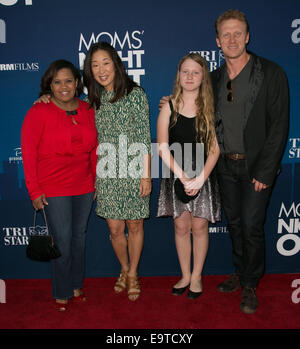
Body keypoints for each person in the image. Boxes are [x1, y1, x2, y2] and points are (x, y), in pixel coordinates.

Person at [211, 9, 289, 314]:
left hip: (257, 168)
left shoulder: (271, 73)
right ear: (218, 41)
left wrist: (265, 170)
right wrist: (171, 103)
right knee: (234, 224)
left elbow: (279, 125)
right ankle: (240, 272)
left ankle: (250, 284)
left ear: (247, 37)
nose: (231, 39)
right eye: (225, 34)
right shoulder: (213, 78)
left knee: (252, 226)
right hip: (225, 167)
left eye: (237, 33)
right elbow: (195, 108)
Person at [21, 60, 98, 311]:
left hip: (84, 185)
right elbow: (29, 153)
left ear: (77, 83)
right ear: (49, 86)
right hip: (53, 187)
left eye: (68, 81)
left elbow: (95, 150)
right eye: (57, 82)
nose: (63, 86)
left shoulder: (88, 110)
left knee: (79, 238)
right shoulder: (38, 112)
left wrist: (96, 180)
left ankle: (76, 284)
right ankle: (62, 290)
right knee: (62, 240)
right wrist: (34, 190)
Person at [83, 42, 152, 301]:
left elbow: (145, 138)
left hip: (134, 170)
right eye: (95, 64)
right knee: (114, 228)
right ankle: (123, 268)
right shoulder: (93, 99)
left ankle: (133, 273)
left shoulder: (136, 94)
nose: (101, 69)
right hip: (108, 172)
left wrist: (146, 176)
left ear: (116, 64)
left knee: (134, 224)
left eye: (106, 63)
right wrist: (44, 97)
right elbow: (61, 101)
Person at [157, 53, 221, 299]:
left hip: (203, 176)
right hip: (176, 174)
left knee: (199, 226)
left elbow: (215, 147)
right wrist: (183, 177)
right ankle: (184, 274)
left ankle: (197, 276)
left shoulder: (210, 107)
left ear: (203, 76)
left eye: (196, 72)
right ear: (178, 75)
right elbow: (162, 146)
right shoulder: (169, 106)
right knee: (181, 226)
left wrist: (201, 177)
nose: (190, 76)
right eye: (185, 71)